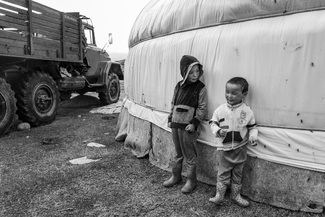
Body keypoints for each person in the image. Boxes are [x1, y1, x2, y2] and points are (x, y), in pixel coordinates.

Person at [209, 77, 258, 207]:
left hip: (240, 148)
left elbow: (252, 127)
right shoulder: (220, 110)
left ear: (244, 94)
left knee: (238, 172)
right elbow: (213, 123)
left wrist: (253, 136)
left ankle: (236, 195)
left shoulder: (247, 111)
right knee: (223, 172)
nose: (229, 96)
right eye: (227, 92)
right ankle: (219, 195)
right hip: (225, 149)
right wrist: (218, 131)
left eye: (234, 93)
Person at [163, 55, 207, 194]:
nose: (195, 75)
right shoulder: (179, 85)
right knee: (178, 153)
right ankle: (176, 176)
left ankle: (191, 181)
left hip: (188, 126)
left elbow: (202, 108)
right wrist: (170, 117)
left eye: (197, 71)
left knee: (190, 155)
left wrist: (194, 123)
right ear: (184, 72)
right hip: (176, 124)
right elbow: (173, 102)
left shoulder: (201, 87)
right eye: (191, 72)